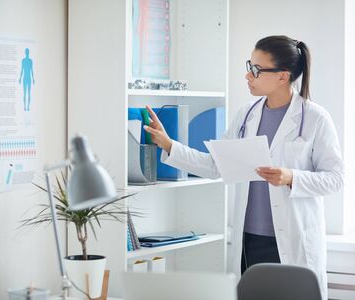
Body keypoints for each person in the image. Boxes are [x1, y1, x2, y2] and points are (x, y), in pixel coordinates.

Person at [143, 35, 343, 300]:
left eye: (256, 70)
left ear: (283, 77)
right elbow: (216, 165)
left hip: (292, 240)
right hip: (249, 240)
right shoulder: (246, 115)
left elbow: (335, 178)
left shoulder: (315, 118)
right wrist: (169, 145)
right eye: (250, 65)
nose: (248, 75)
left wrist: (291, 177)